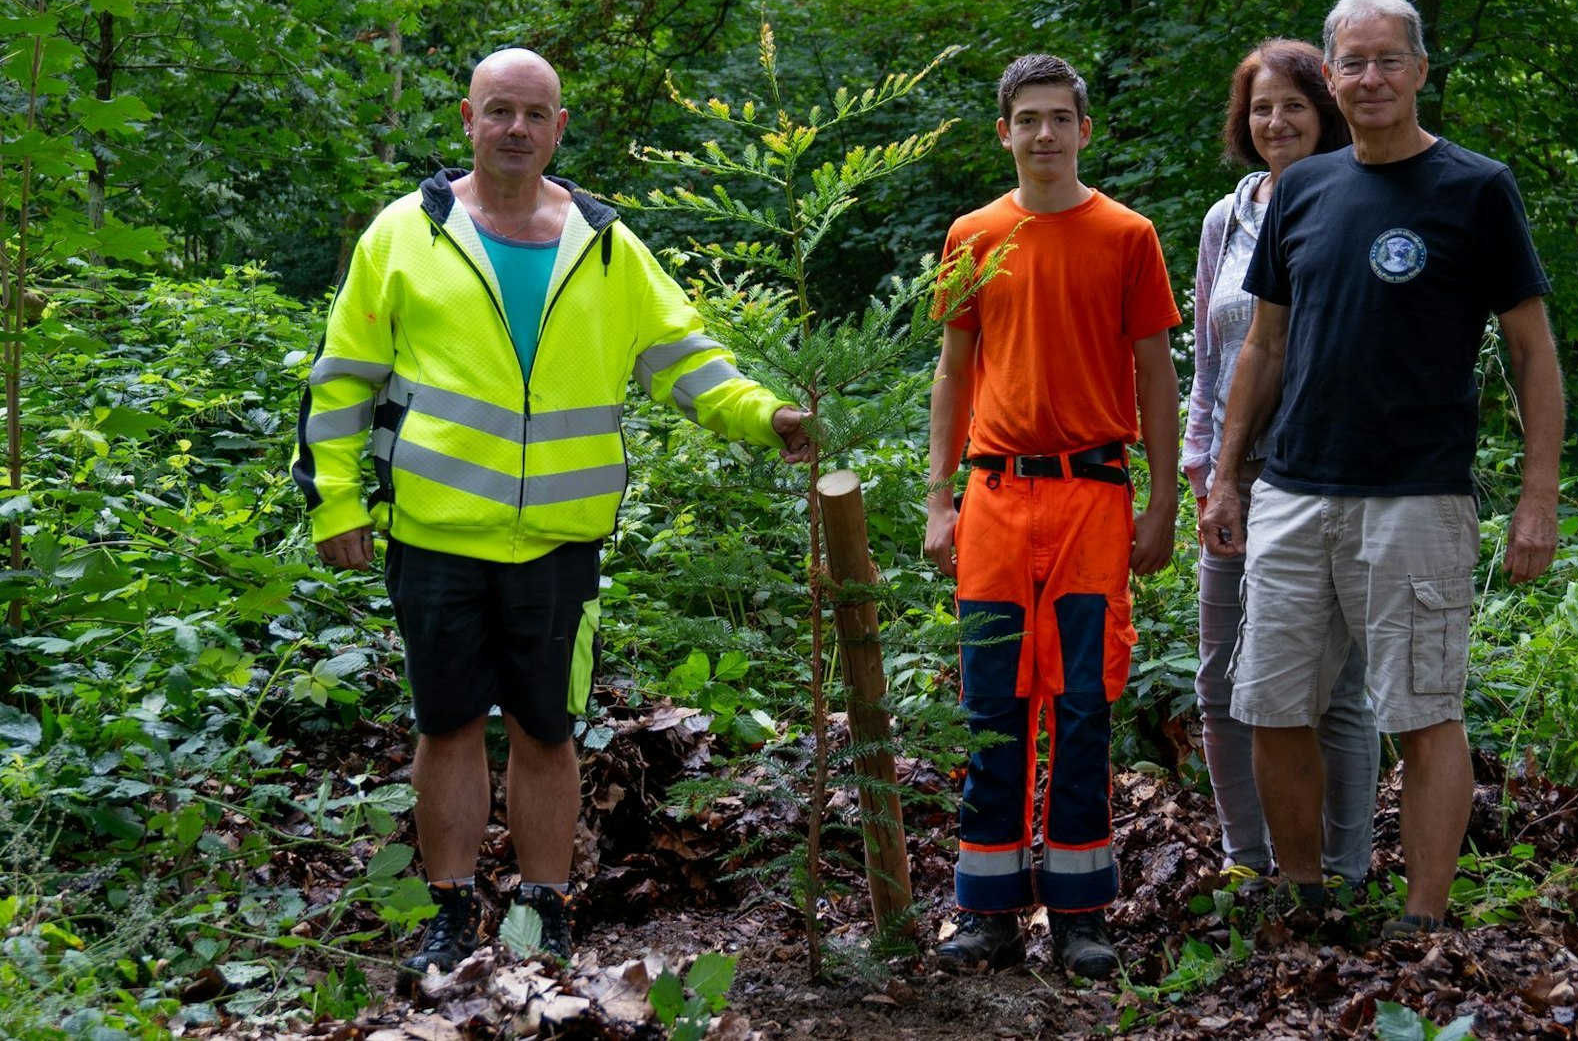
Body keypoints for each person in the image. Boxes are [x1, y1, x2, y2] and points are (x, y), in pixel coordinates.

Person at [292, 48, 811, 984]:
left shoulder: (605, 245)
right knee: (448, 724)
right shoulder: (404, 234)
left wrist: (764, 416)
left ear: (559, 128)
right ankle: (451, 911)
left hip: (561, 541)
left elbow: (686, 361)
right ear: (467, 119)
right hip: (435, 534)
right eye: (499, 110)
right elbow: (340, 382)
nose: (516, 129)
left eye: (534, 114)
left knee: (546, 728)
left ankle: (542, 911)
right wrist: (334, 501)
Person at [1199, 0, 1564, 940]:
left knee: (1421, 712)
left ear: (1419, 71)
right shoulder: (1303, 190)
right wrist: (1227, 476)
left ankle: (1421, 918)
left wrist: (1537, 497)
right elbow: (1263, 346)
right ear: (1330, 75)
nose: (1369, 78)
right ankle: (1306, 897)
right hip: (1292, 492)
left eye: (1387, 60)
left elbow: (1531, 349)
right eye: (1352, 62)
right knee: (1271, 704)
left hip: (1416, 497)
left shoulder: (1474, 188)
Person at [924, 53, 1181, 979]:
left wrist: (1164, 500)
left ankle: (1080, 913)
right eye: (1027, 119)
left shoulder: (1127, 235)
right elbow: (953, 370)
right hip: (994, 498)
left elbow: (1155, 373)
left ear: (1083, 130)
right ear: (1004, 132)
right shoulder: (972, 234)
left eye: (1059, 118)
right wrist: (938, 496)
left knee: (1082, 704)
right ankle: (985, 912)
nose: (1043, 134)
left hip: (1091, 498)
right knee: (992, 705)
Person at [1181, 39, 1379, 896]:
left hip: (1332, 473)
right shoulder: (1225, 221)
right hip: (1237, 475)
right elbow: (1209, 359)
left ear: (1325, 113)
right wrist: (1202, 468)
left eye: (1293, 105)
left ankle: (1342, 871)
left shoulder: (1360, 200)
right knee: (1221, 679)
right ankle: (1247, 859)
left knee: (1333, 690)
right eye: (1260, 107)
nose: (1275, 122)